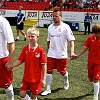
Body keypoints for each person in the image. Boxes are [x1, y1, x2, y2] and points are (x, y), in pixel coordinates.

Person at [41, 10, 75, 96]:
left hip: (61, 55)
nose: (54, 17)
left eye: (56, 16)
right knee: (49, 71)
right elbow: (48, 40)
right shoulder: (50, 27)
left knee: (62, 72)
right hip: (51, 54)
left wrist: (71, 52)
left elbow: (71, 40)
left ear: (61, 17)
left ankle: (66, 80)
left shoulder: (66, 27)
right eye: (53, 16)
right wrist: (48, 51)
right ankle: (48, 89)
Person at [7, 27, 47, 100]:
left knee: (33, 97)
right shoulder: (25, 48)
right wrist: (11, 65)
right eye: (29, 36)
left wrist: (44, 79)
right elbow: (20, 60)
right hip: (26, 77)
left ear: (37, 37)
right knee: (22, 94)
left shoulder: (40, 50)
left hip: (36, 79)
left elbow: (44, 65)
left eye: (32, 36)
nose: (30, 38)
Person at [72, 23, 100, 100]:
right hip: (90, 61)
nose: (95, 34)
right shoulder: (90, 38)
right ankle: (95, 87)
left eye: (96, 33)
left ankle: (95, 97)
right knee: (90, 78)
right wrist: (77, 55)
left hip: (98, 63)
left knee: (96, 78)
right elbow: (85, 48)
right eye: (94, 33)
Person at [0, 1, 15, 100]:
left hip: (1, 59)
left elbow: (11, 42)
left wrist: (10, 61)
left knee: (7, 84)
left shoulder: (3, 21)